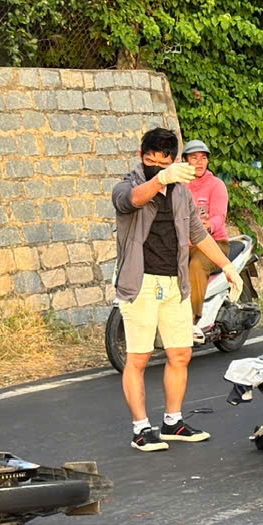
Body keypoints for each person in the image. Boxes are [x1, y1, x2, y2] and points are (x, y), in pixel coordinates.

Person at [111, 128, 241, 451]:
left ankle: (172, 421)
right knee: (138, 358)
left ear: (172, 159)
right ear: (142, 156)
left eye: (164, 161)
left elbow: (200, 235)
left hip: (175, 283)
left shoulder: (182, 194)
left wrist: (227, 267)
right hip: (141, 282)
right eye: (150, 159)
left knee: (180, 354)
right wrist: (161, 179)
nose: (156, 164)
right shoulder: (127, 186)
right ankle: (141, 429)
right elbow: (132, 200)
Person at [182, 139, 231, 320]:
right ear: (185, 161)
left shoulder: (216, 185)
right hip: (185, 243)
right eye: (194, 158)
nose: (199, 162)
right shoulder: (179, 185)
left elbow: (219, 216)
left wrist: (209, 225)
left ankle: (193, 317)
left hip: (216, 243)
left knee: (197, 264)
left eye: (203, 158)